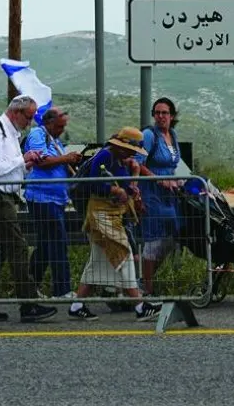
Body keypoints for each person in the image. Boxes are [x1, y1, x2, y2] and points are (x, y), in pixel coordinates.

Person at [0, 95, 56, 323]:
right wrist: (22, 159)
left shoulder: (10, 133)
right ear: (16, 112)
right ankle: (28, 305)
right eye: (28, 117)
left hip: (3, 195)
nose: (30, 123)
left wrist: (26, 166)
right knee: (18, 247)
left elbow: (8, 169)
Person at [68, 128, 152, 321]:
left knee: (96, 262)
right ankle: (139, 305)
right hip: (101, 214)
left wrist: (131, 188)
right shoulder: (105, 156)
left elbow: (122, 185)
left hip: (110, 214)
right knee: (124, 251)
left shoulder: (119, 160)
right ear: (123, 147)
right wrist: (115, 190)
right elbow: (94, 183)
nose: (133, 155)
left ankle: (77, 304)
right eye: (132, 151)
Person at [25, 105, 82, 305]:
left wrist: (71, 163)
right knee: (58, 241)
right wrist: (65, 158)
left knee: (45, 244)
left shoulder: (56, 141)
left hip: (56, 199)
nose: (61, 131)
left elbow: (59, 163)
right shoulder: (37, 134)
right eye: (59, 126)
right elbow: (40, 160)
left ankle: (31, 285)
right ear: (49, 123)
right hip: (42, 197)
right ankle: (61, 288)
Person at [138, 97, 183, 298]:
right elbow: (138, 164)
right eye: (157, 113)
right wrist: (158, 180)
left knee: (171, 237)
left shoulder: (172, 135)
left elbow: (173, 164)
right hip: (152, 193)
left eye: (164, 113)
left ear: (172, 116)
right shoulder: (149, 135)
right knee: (153, 240)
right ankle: (148, 290)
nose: (160, 116)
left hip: (170, 195)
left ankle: (141, 281)